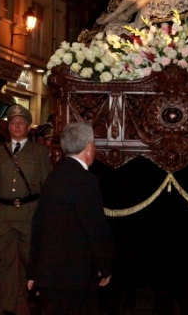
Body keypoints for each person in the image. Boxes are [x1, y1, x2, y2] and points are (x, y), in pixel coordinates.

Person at [28, 122, 112, 315]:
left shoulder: (53, 177)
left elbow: (38, 224)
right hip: (76, 276)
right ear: (89, 146)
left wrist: (33, 270)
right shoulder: (86, 180)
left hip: (50, 273)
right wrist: (105, 266)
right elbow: (96, 228)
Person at [0, 104, 52, 315]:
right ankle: (10, 305)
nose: (17, 125)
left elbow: (46, 183)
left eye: (21, 122)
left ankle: (31, 300)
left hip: (29, 213)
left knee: (29, 259)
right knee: (6, 261)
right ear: (8, 127)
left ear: (28, 126)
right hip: (2, 213)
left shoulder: (39, 152)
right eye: (13, 123)